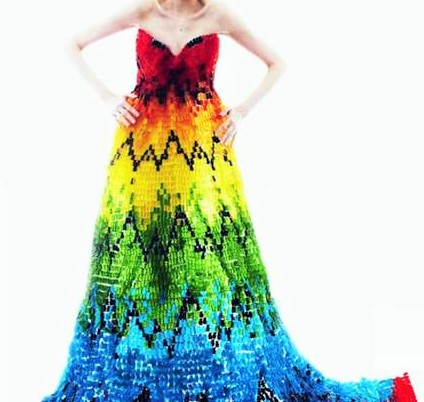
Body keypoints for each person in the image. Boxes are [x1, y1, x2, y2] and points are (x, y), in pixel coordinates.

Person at [41, 0, 418, 401]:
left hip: (203, 147)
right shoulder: (143, 9)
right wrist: (106, 98)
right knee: (140, 255)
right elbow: (72, 44)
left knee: (205, 257)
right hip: (143, 149)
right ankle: (147, 371)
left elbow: (277, 63)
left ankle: (209, 371)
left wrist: (241, 113)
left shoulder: (217, 14)